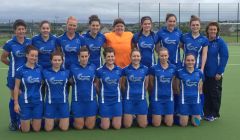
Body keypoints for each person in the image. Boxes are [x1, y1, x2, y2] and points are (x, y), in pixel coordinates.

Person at [1, 19, 31, 131]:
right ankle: (13, 121)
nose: (21, 31)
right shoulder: (10, 43)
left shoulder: (29, 41)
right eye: (19, 29)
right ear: (15, 31)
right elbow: (3, 57)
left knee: (24, 97)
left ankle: (22, 119)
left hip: (27, 75)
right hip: (14, 76)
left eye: (23, 29)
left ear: (26, 30)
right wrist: (11, 65)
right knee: (14, 98)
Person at [13, 45, 43, 132]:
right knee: (25, 130)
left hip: (38, 102)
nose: (34, 58)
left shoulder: (40, 68)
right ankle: (21, 122)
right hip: (25, 102)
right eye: (32, 55)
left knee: (36, 129)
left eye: (36, 56)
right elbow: (16, 87)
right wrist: (16, 103)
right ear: (27, 55)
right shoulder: (20, 70)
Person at [203, 22, 229, 121]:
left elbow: (224, 57)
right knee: (206, 93)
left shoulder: (220, 42)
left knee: (214, 94)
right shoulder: (205, 41)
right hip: (205, 73)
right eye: (211, 29)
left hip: (215, 74)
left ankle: (214, 114)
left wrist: (220, 72)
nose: (213, 31)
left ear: (217, 31)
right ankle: (206, 112)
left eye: (215, 29)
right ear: (207, 31)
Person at [70, 47, 98, 129]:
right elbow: (70, 81)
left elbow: (96, 80)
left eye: (86, 56)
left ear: (89, 56)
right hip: (77, 100)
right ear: (78, 56)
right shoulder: (72, 67)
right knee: (79, 127)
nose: (84, 58)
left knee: (90, 126)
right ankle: (71, 119)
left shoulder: (93, 67)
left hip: (90, 100)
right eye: (82, 56)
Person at [95, 47, 122, 130]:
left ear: (114, 57)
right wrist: (102, 95)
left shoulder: (119, 70)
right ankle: (101, 119)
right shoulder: (99, 71)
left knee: (117, 126)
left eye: (112, 56)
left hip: (116, 100)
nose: (110, 58)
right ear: (105, 57)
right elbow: (97, 85)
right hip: (104, 100)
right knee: (105, 127)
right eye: (108, 56)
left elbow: (120, 84)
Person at [42, 51, 70, 131]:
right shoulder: (45, 72)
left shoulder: (67, 72)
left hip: (63, 103)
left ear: (62, 61)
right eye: (55, 60)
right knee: (48, 129)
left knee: (64, 128)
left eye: (59, 60)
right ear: (51, 61)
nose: (57, 62)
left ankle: (67, 118)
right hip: (50, 103)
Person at [148, 47, 176, 127]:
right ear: (158, 56)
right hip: (157, 99)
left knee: (169, 124)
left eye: (165, 55)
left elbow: (173, 83)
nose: (164, 58)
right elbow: (151, 83)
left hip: (168, 99)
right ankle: (156, 116)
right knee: (156, 124)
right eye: (161, 56)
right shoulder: (153, 68)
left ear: (168, 56)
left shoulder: (173, 68)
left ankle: (164, 116)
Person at [121, 48, 149, 128]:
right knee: (127, 125)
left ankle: (138, 116)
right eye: (134, 56)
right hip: (129, 99)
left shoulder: (145, 69)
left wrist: (142, 94)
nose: (136, 58)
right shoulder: (125, 70)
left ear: (140, 57)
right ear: (130, 57)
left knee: (143, 125)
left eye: (138, 56)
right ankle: (131, 115)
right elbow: (123, 85)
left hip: (141, 99)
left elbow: (146, 85)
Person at [175, 53, 204, 127]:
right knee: (183, 124)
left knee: (196, 124)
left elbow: (200, 89)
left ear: (195, 61)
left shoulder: (199, 73)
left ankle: (195, 113)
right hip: (184, 101)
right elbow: (177, 87)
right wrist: (181, 98)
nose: (190, 62)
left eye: (192, 60)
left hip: (195, 101)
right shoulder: (180, 72)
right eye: (188, 60)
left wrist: (200, 103)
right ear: (185, 61)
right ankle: (181, 114)